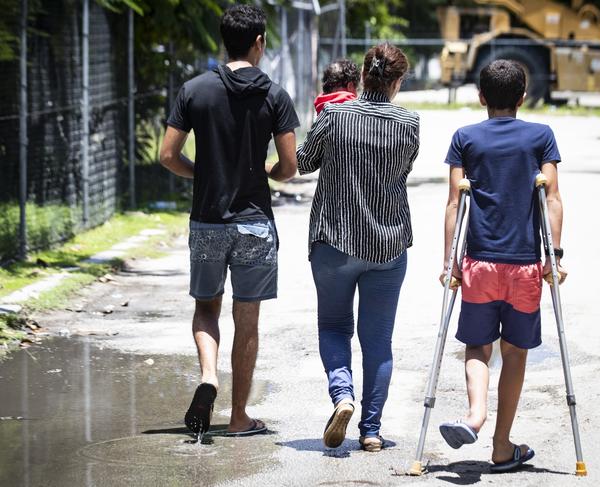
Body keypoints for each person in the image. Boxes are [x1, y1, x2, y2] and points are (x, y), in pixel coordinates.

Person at [159, 4, 300, 438]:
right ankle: (239, 417)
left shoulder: (195, 90)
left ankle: (208, 377)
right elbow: (289, 164)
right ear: (259, 42)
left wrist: (200, 172)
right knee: (248, 319)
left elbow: (166, 155)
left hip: (207, 220)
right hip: (255, 222)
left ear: (224, 41)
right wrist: (268, 175)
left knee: (206, 308)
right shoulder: (274, 95)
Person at [439, 59, 566, 472]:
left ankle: (474, 417)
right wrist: (555, 257)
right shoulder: (540, 136)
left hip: (478, 264)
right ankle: (500, 445)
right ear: (523, 97)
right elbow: (552, 198)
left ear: (480, 98)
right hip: (526, 267)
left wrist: (449, 263)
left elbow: (455, 202)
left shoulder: (465, 138)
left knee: (477, 346)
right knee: (514, 354)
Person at [297, 43, 419, 452]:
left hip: (334, 241)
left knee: (334, 327)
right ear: (397, 81)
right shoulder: (409, 124)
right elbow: (402, 172)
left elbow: (303, 162)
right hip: (388, 245)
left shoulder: (333, 116)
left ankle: (342, 396)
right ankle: (370, 430)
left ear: (362, 76)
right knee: (378, 341)